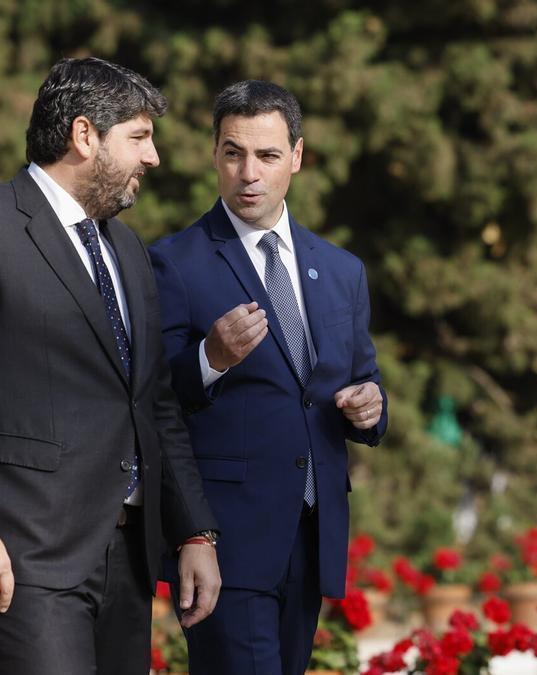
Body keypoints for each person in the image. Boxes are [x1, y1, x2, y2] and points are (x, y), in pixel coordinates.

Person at [0, 57, 220, 675]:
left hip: (124, 554)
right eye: (140, 137)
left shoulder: (125, 248)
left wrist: (194, 533)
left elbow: (151, 404)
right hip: (19, 550)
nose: (153, 158)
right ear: (84, 136)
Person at [149, 80, 388, 675]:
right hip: (226, 543)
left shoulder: (341, 270)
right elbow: (152, 399)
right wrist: (210, 357)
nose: (248, 173)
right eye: (233, 153)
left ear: (298, 158)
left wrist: (372, 407)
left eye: (267, 155)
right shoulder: (174, 262)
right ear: (214, 156)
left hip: (312, 538)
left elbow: (365, 386)